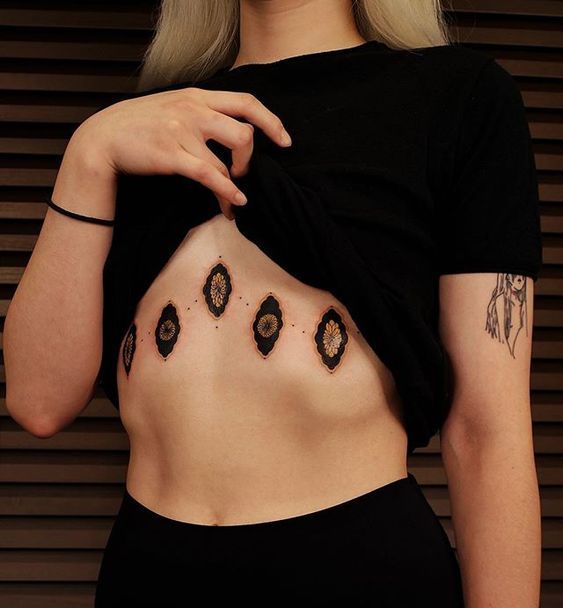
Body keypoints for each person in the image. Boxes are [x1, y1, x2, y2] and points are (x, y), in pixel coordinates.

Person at [4, 1, 542, 606]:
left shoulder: (459, 97)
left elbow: (485, 431)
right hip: (146, 570)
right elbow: (37, 400)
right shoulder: (145, 123)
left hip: (355, 572)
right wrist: (87, 153)